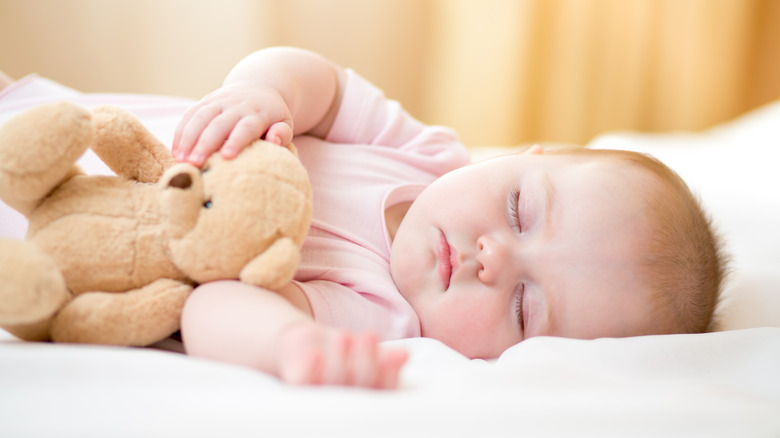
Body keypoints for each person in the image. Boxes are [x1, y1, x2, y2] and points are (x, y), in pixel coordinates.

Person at [168, 47, 726, 389]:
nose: (493, 257)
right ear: (521, 156)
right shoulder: (424, 155)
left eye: (522, 306)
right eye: (519, 210)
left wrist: (285, 343)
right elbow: (325, 83)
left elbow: (210, 304)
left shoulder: (384, 316)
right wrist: (264, 90)